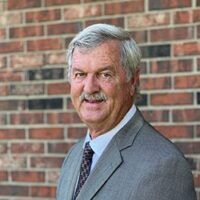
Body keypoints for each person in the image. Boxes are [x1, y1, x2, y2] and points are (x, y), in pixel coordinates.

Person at [56, 23, 196, 200]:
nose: (89, 88)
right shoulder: (75, 155)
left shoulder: (165, 166)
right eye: (80, 74)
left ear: (132, 81)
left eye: (105, 74)